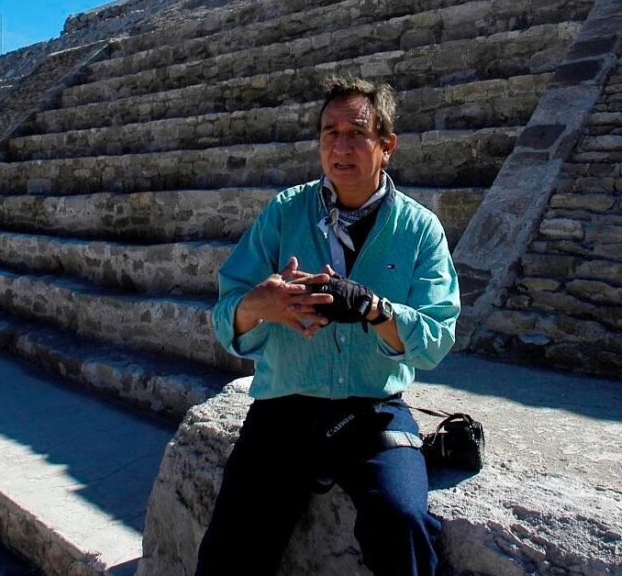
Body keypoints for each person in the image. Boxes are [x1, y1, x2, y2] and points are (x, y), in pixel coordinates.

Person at [195, 75, 460, 576]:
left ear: (387, 145)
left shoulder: (420, 229)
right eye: (328, 133)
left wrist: (373, 309)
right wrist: (261, 304)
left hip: (374, 408)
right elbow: (226, 312)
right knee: (233, 539)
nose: (340, 146)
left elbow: (436, 336)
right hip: (284, 406)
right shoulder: (283, 212)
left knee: (403, 520)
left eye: (356, 132)